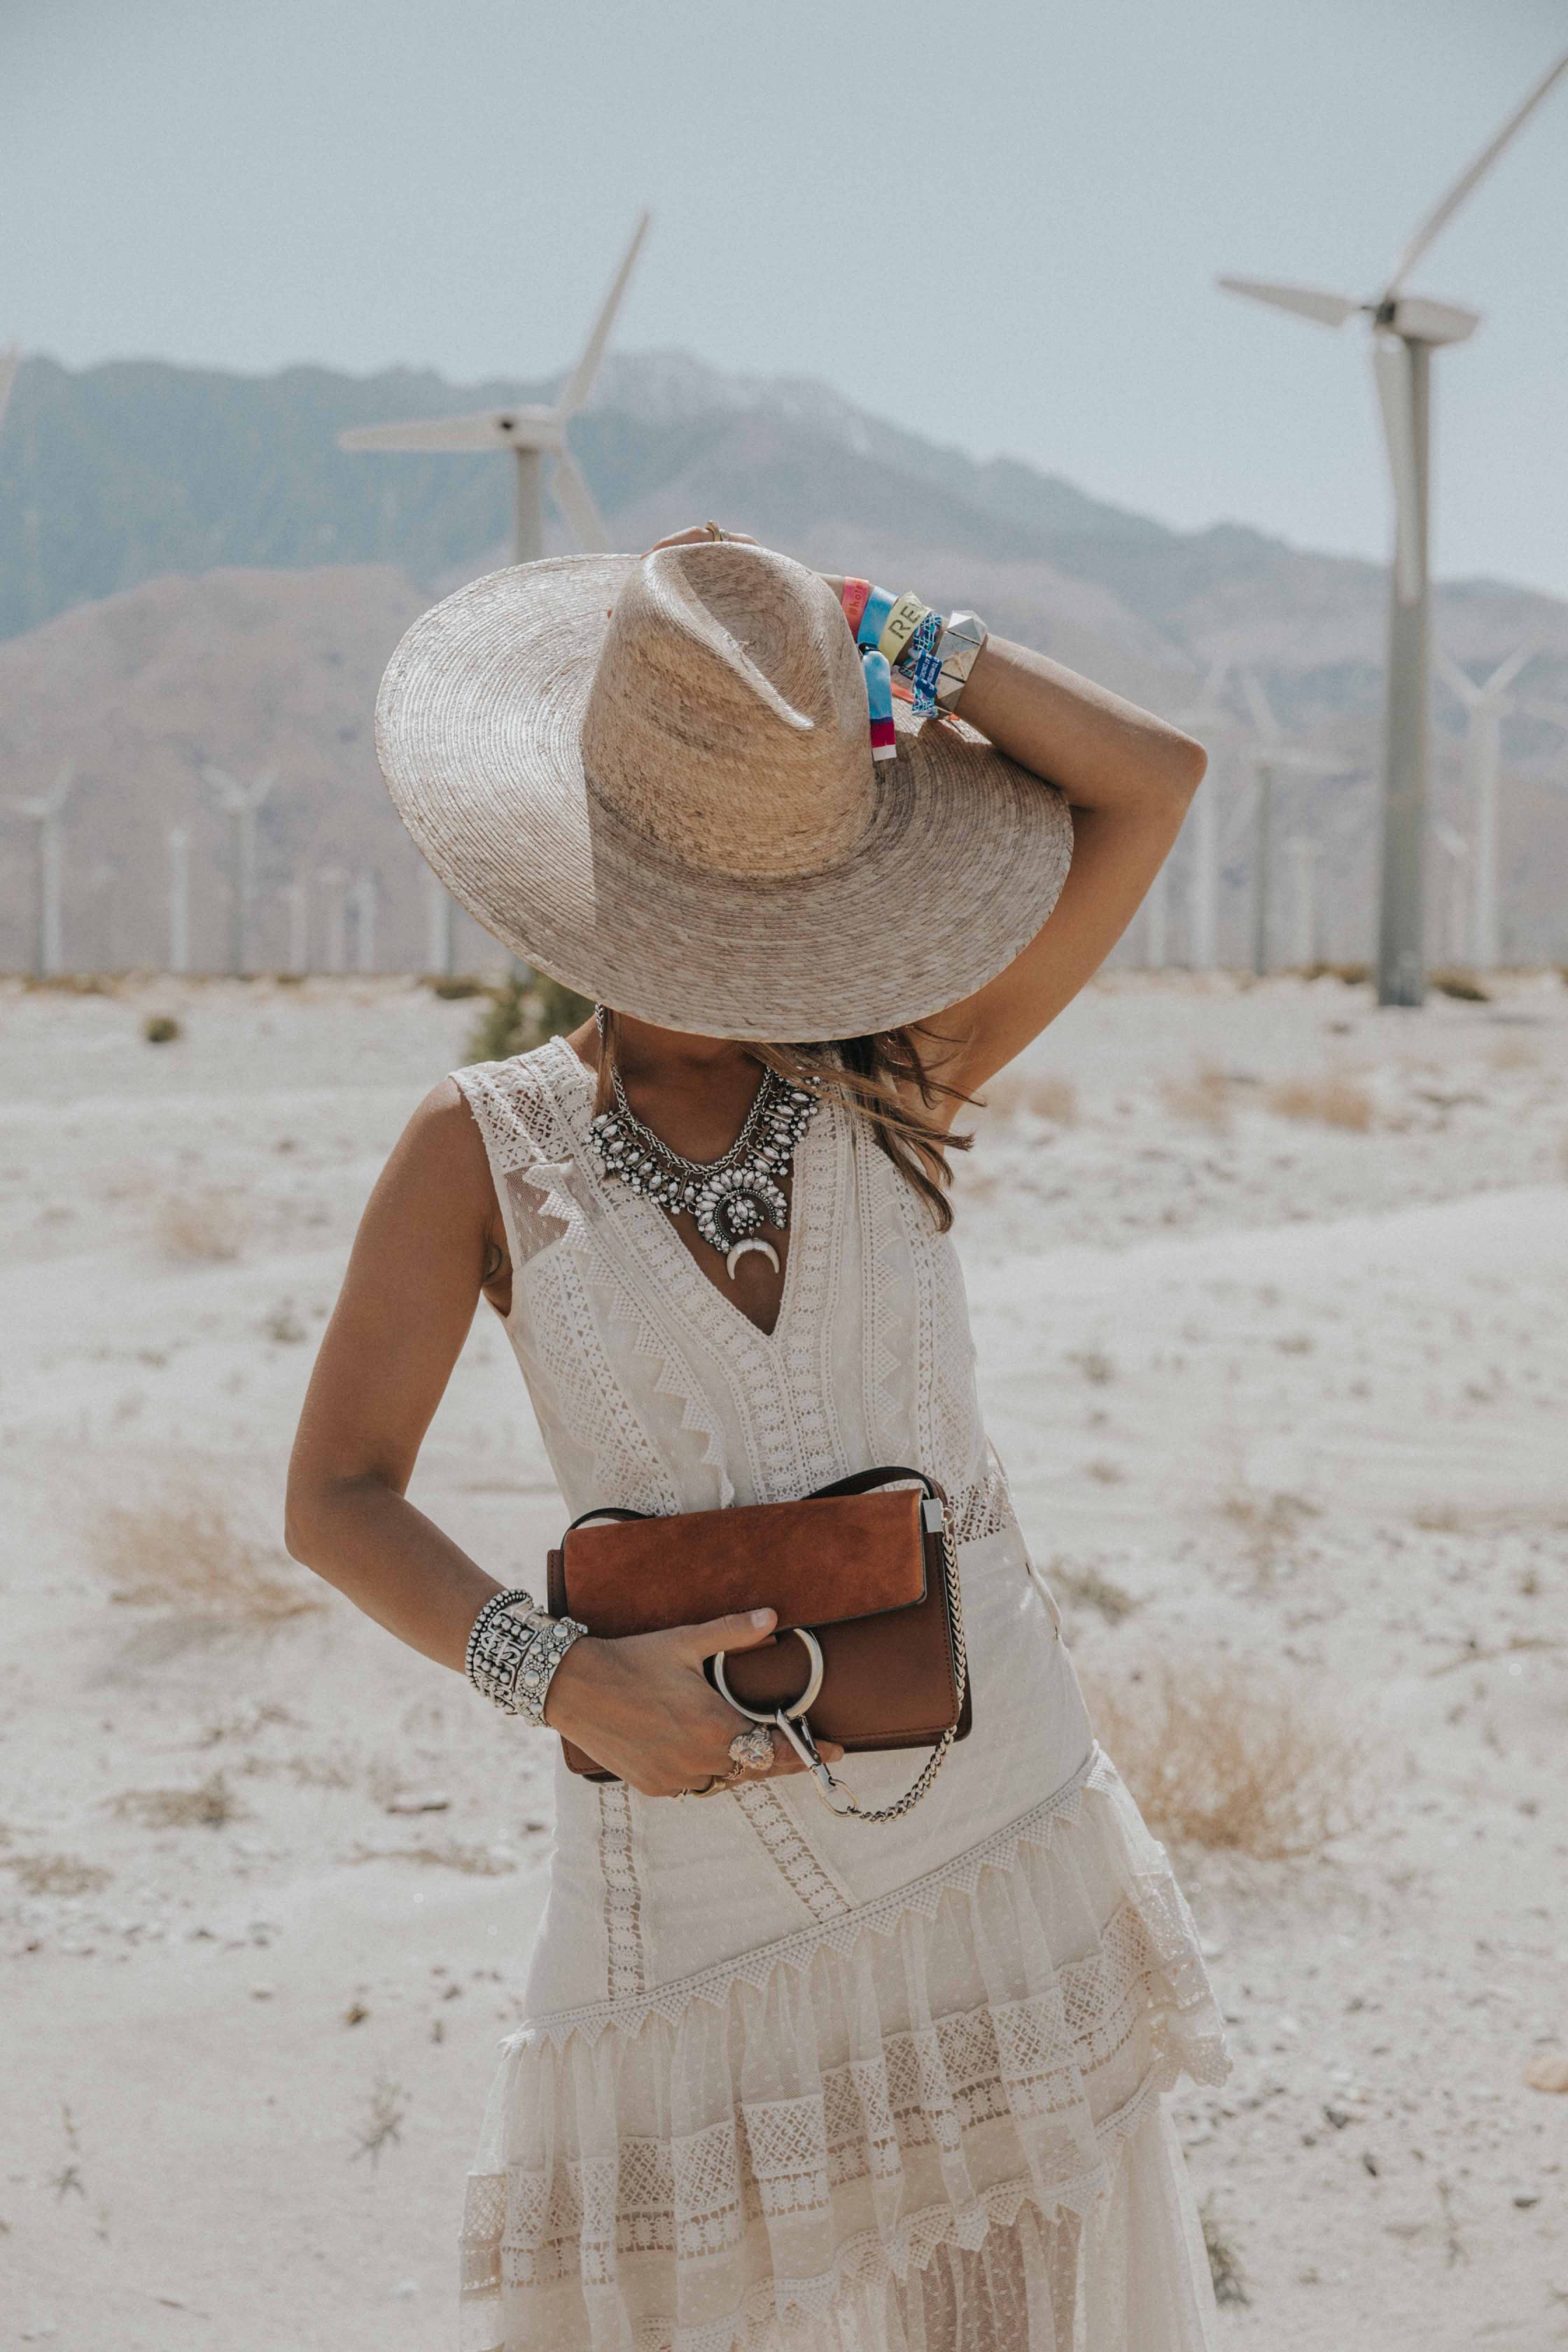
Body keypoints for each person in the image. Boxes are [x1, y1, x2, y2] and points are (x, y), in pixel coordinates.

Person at [286, 524, 1228, 2352]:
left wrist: (871, 644)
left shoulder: (901, 1068)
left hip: (1000, 1828)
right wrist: (554, 1678)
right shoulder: (475, 1146)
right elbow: (334, 1496)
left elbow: (1153, 786)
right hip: (691, 1855)